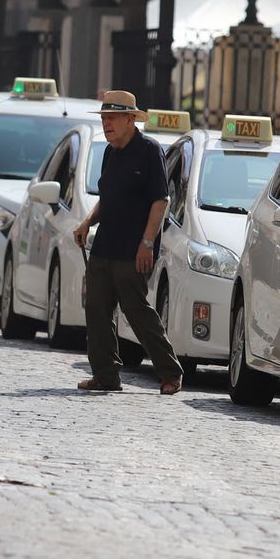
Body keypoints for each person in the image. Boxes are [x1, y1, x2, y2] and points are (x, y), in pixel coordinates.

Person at [72, 90, 184, 395]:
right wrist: (86, 222)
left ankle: (170, 373)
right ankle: (105, 375)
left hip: (134, 249)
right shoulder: (110, 152)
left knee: (136, 310)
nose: (106, 124)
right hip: (105, 244)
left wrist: (147, 243)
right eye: (104, 119)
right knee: (96, 309)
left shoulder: (149, 150)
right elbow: (107, 199)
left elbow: (160, 201)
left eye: (111, 119)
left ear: (129, 119)